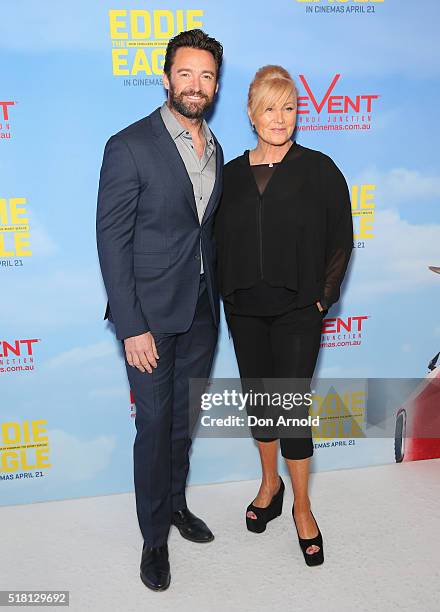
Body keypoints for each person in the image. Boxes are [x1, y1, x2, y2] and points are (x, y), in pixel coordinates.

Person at [96, 29, 224, 591]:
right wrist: (131, 326)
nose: (196, 86)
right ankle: (153, 540)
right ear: (166, 76)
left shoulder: (214, 146)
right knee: (151, 426)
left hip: (200, 308)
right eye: (186, 73)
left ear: (215, 84)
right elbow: (111, 241)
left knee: (181, 423)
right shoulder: (129, 145)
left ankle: (176, 505)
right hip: (147, 317)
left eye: (207, 76)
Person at [214, 65, 353, 566]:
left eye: (289, 107)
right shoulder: (227, 175)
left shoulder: (320, 169)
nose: (280, 118)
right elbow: (213, 241)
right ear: (252, 114)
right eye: (270, 107)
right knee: (261, 403)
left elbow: (341, 237)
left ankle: (303, 507)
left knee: (289, 406)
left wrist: (324, 297)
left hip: (298, 311)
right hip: (245, 310)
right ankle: (269, 485)